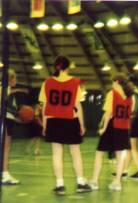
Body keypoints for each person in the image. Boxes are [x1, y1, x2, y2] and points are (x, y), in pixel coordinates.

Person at [39, 56, 91, 195]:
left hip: (53, 121)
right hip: (70, 120)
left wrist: (44, 125)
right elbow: (77, 106)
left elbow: (44, 107)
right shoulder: (75, 82)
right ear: (67, 68)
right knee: (75, 152)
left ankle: (60, 185)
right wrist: (82, 124)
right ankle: (80, 182)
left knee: (57, 153)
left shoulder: (47, 82)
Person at [89, 74, 134, 191]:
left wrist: (103, 128)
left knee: (99, 153)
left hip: (112, 127)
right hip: (124, 128)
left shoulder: (112, 94)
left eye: (113, 82)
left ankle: (94, 181)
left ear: (117, 82)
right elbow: (130, 113)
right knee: (120, 156)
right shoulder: (130, 97)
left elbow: (108, 113)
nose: (112, 84)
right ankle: (117, 182)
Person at [123, 74, 138, 180]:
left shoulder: (131, 92)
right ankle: (124, 171)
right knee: (130, 148)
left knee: (133, 148)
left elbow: (131, 108)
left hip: (133, 120)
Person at [1, 69, 20, 185]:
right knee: (6, 149)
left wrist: (19, 119)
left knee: (5, 149)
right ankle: (5, 174)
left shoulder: (8, 90)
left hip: (7, 119)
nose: (16, 80)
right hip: (4, 120)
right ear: (10, 78)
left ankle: (4, 173)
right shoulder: (5, 89)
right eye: (15, 78)